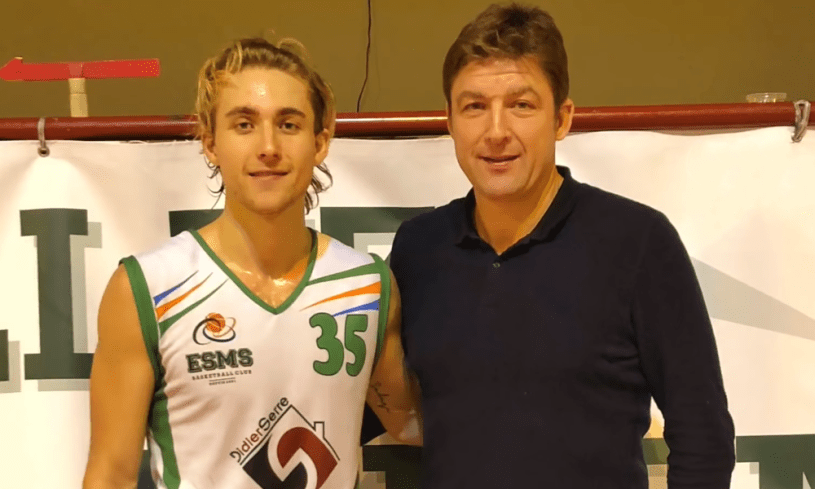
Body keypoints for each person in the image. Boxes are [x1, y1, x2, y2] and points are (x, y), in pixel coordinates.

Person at [389, 4, 735, 488]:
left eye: (521, 105)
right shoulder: (418, 249)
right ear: (450, 121)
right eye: (474, 106)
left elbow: (704, 437)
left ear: (562, 118)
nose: (496, 132)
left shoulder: (638, 242)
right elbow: (367, 405)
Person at [83, 37, 420, 489]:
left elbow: (413, 423)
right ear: (210, 143)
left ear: (320, 142)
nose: (268, 146)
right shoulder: (146, 287)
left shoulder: (368, 286)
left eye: (288, 124)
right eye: (244, 124)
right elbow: (111, 474)